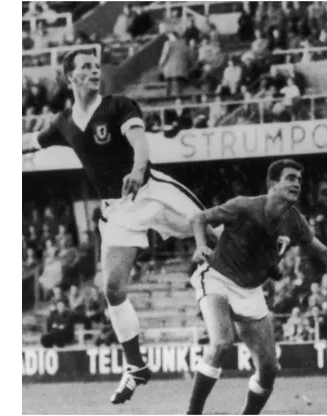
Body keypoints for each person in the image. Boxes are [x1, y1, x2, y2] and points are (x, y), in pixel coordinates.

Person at [21, 50, 216, 405]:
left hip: (151, 190)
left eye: (96, 67)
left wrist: (138, 169)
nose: (94, 71)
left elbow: (140, 144)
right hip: (118, 210)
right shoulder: (63, 122)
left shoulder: (118, 105)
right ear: (70, 78)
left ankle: (267, 248)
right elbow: (28, 143)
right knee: (112, 288)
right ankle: (136, 365)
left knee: (213, 234)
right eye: (85, 67)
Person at [185, 159, 327, 415]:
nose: (297, 184)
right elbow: (199, 218)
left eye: (299, 180)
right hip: (217, 278)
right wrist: (201, 246)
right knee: (222, 342)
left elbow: (321, 251)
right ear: (272, 184)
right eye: (290, 178)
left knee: (269, 368)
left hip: (250, 291)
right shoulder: (244, 206)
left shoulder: (295, 222)